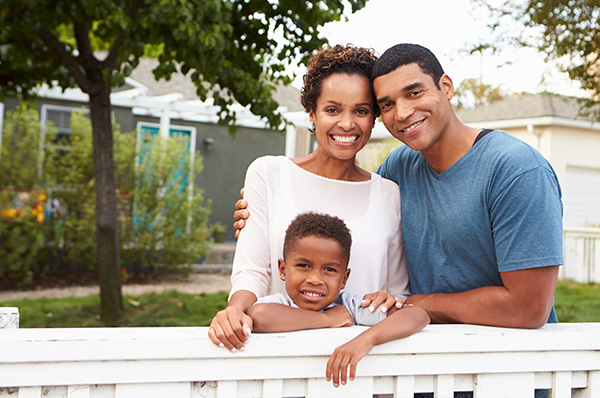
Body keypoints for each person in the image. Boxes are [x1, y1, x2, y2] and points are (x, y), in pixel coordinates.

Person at [234, 43, 563, 329]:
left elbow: (529, 308)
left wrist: (419, 303)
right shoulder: (398, 170)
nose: (403, 112)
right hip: (419, 365)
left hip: (504, 365)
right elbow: (342, 216)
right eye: (388, 103)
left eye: (415, 92)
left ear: (445, 86)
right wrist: (262, 219)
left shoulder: (516, 169)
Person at [209, 44, 411, 352]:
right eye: (332, 109)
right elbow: (253, 270)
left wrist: (392, 300)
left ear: (374, 118)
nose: (347, 124)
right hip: (280, 355)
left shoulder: (389, 193)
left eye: (361, 110)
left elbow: (399, 292)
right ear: (312, 114)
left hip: (362, 365)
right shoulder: (268, 174)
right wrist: (236, 310)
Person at [248, 212, 429, 388]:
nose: (315, 279)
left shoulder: (349, 308)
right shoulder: (281, 304)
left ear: (344, 279)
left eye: (329, 270)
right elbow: (259, 316)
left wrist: (366, 340)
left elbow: (417, 315)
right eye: (303, 266)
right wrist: (326, 319)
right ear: (283, 269)